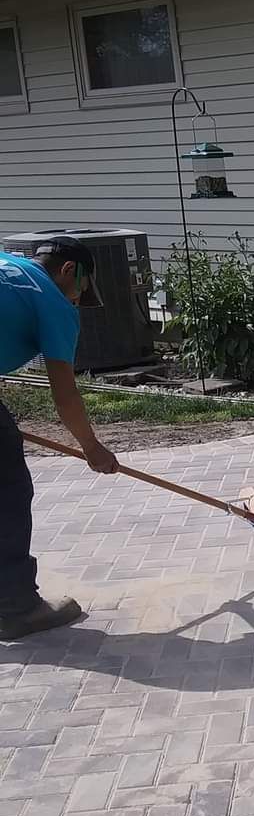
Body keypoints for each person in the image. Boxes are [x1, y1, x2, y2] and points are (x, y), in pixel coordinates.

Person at [0, 237, 118, 641]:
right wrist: (91, 447)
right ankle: (16, 609)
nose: (77, 299)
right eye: (81, 290)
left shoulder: (7, 265)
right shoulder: (50, 299)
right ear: (69, 271)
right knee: (7, 491)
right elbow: (64, 394)